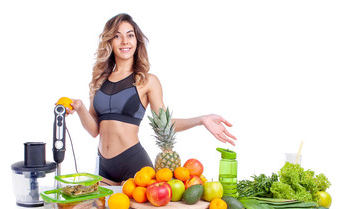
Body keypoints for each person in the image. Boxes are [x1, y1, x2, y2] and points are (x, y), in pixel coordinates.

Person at [66, 13, 236, 185]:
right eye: (117, 36)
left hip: (134, 164)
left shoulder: (147, 81)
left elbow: (166, 125)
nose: (125, 41)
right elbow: (94, 130)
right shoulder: (98, 81)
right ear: (109, 41)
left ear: (137, 41)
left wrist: (201, 120)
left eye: (130, 35)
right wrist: (79, 108)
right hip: (104, 166)